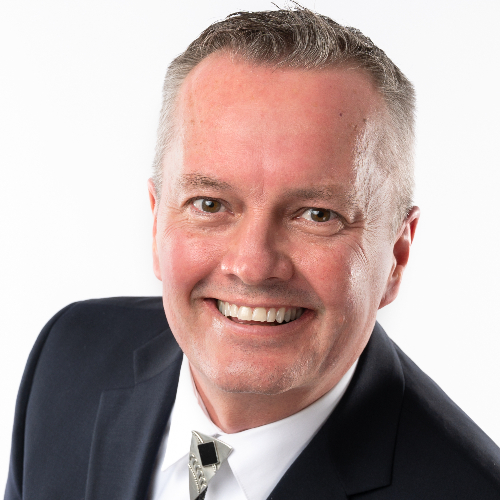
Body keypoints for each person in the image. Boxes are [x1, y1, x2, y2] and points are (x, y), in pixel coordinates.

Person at [4, 7, 500, 500]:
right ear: (156, 224)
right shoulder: (69, 356)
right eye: (210, 204)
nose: (252, 265)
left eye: (317, 214)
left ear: (396, 253)